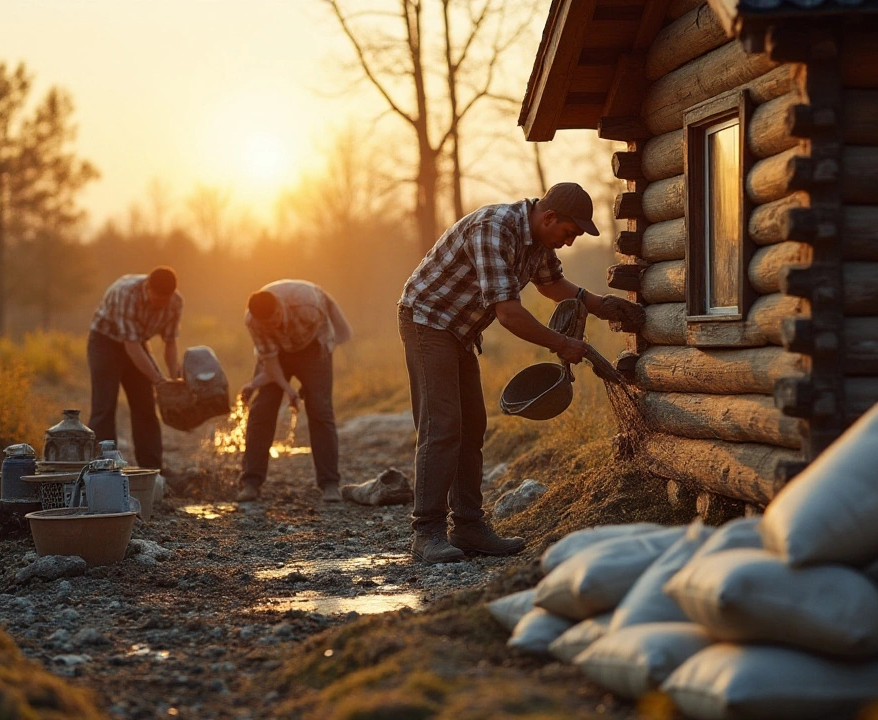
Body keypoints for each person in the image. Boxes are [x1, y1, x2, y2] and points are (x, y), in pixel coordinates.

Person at [398, 182, 645, 564]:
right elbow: (509, 313)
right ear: (548, 217)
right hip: (427, 321)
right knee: (443, 424)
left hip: (460, 330)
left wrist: (600, 306)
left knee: (472, 426)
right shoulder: (494, 229)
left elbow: (552, 285)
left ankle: (467, 526)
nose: (568, 242)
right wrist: (561, 344)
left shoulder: (539, 241)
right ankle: (426, 533)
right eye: (568, 233)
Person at [236, 279, 353, 503]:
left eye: (274, 321)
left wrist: (310, 383)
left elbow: (327, 341)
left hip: (313, 346)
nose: (271, 327)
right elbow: (270, 363)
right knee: (262, 410)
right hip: (277, 353)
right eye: (266, 326)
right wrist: (289, 389)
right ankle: (251, 481)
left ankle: (329, 483)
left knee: (320, 408)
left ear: (280, 308)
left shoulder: (309, 307)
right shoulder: (253, 321)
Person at [88, 266, 183, 471]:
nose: (160, 306)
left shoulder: (175, 302)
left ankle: (152, 469)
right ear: (147, 287)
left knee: (145, 405)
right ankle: (102, 467)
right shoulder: (126, 294)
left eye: (164, 301)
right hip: (105, 342)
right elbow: (130, 346)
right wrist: (158, 380)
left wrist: (174, 380)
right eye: (156, 300)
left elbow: (170, 343)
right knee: (104, 405)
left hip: (138, 342)